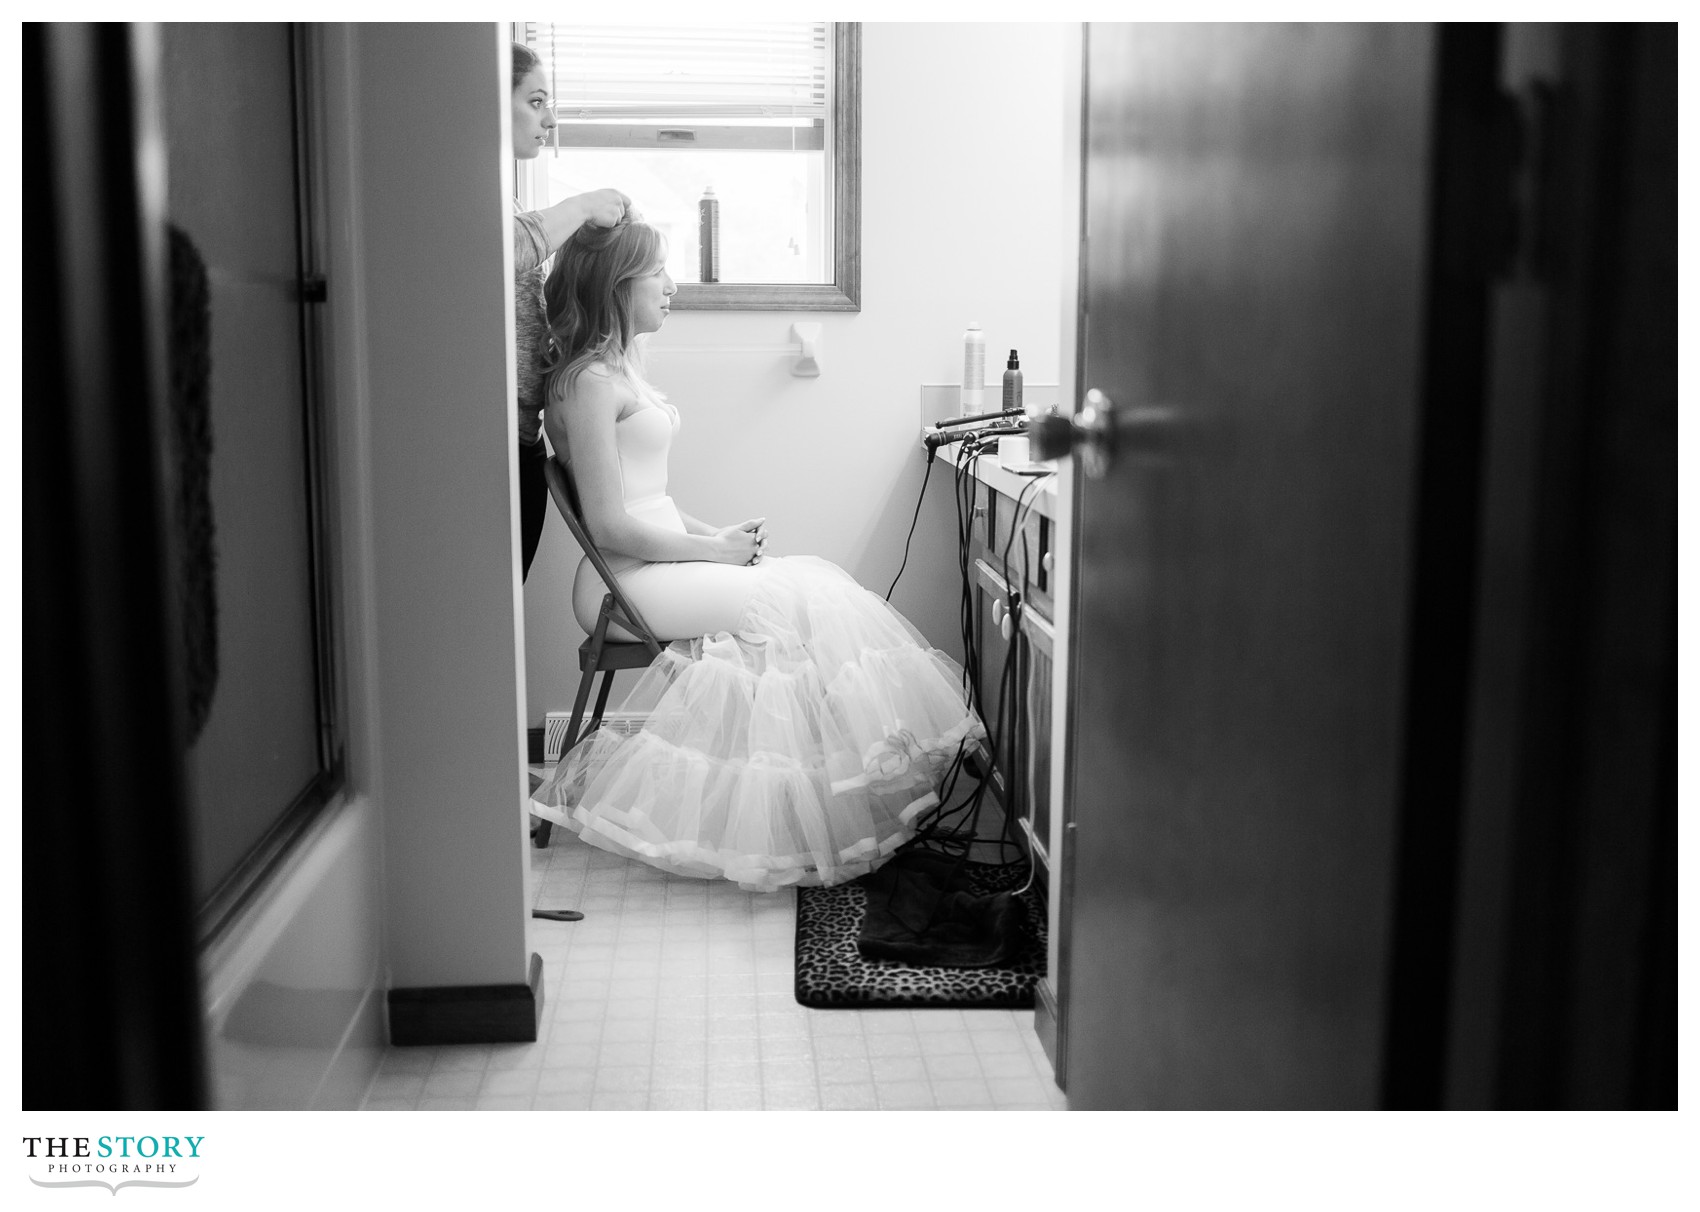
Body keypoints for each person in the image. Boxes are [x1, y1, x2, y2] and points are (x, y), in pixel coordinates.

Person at [529, 216, 986, 892]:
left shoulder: (619, 372)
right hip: (621, 582)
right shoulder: (588, 384)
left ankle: (822, 802)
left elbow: (649, 500)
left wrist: (719, 540)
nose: (672, 285)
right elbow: (609, 526)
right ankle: (788, 818)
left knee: (814, 585)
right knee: (783, 604)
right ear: (618, 284)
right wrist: (711, 550)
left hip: (656, 567)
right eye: (658, 272)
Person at [510, 41, 630, 580]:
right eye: (536, 101)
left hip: (521, 441)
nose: (550, 119)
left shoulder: (504, 199)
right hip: (494, 446)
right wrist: (581, 206)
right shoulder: (465, 194)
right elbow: (501, 251)